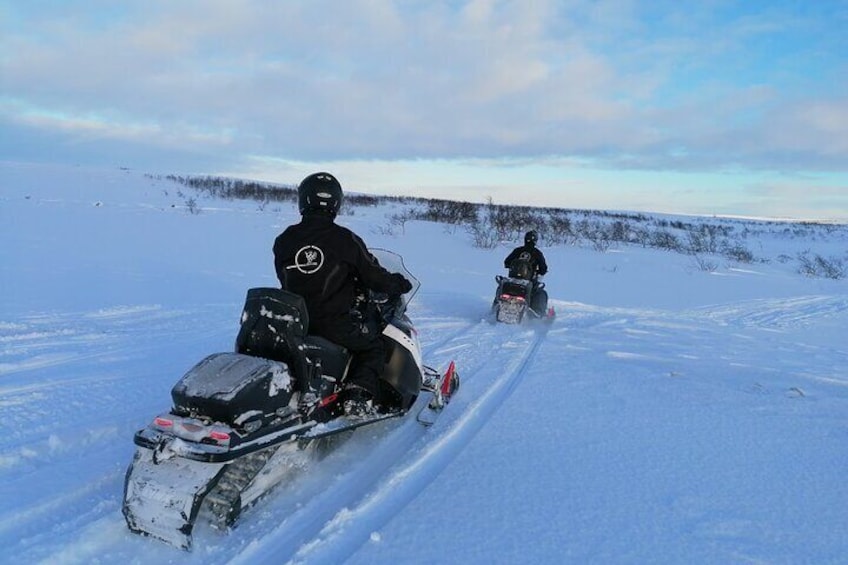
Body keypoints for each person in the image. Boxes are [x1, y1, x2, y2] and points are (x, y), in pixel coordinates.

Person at [273, 172, 412, 416]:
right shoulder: (345, 240)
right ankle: (356, 394)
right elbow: (374, 276)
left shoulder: (284, 239)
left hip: (295, 323)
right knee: (373, 346)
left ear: (303, 200)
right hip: (334, 323)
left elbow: (284, 277)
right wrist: (398, 284)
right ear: (336, 202)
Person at [503, 230, 549, 313]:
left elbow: (506, 262)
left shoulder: (518, 250)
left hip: (513, 279)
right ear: (535, 241)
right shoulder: (537, 253)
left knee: (502, 285)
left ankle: (495, 308)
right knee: (539, 292)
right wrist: (538, 271)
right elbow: (543, 269)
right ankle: (536, 313)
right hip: (529, 281)